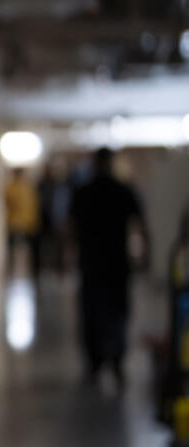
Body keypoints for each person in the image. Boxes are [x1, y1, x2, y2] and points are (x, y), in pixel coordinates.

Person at [69, 147, 148, 388]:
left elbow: (69, 228)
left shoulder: (86, 191)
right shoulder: (121, 190)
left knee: (95, 313)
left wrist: (66, 257)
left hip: (94, 264)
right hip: (113, 264)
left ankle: (98, 364)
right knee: (116, 313)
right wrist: (145, 255)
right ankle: (113, 360)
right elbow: (140, 226)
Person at [4, 168, 40, 279]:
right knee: (12, 248)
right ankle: (11, 269)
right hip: (15, 223)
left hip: (27, 223)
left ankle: (30, 269)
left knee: (29, 249)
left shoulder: (27, 188)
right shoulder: (11, 188)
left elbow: (33, 206)